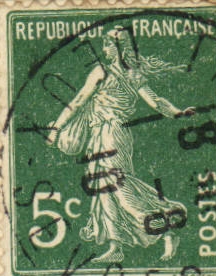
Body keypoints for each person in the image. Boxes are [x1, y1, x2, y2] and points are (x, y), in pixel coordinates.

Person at [46, 28, 198, 263]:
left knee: (117, 186)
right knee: (104, 188)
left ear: (115, 48)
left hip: (110, 134)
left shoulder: (103, 72)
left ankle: (166, 226)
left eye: (107, 45)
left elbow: (77, 102)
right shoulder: (131, 75)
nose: (104, 49)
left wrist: (56, 128)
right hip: (105, 134)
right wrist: (177, 112)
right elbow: (157, 102)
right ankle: (116, 245)